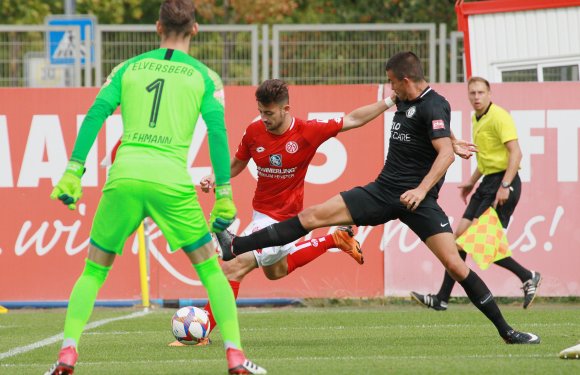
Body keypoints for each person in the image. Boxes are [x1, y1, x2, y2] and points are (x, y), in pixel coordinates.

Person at [215, 52, 540, 345]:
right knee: (312, 216)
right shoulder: (403, 101)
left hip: (418, 201)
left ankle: (507, 332)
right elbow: (430, 135)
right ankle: (236, 245)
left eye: (391, 82)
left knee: (456, 264)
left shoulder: (434, 103)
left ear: (406, 80)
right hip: (383, 192)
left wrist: (423, 187)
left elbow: (444, 156)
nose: (389, 87)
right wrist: (450, 139)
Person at [45, 1, 265, 374]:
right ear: (194, 30)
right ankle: (235, 357)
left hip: (125, 176)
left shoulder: (128, 68)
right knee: (212, 271)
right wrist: (225, 193)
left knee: (94, 271)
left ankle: (67, 354)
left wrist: (73, 170)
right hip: (170, 181)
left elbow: (96, 113)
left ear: (157, 27)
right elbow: (216, 132)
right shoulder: (205, 77)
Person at [169, 78, 392, 346]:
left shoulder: (308, 131)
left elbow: (353, 119)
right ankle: (334, 239)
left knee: (233, 266)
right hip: (260, 214)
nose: (263, 118)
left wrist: (390, 101)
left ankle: (201, 330)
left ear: (286, 108)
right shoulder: (254, 132)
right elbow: (239, 163)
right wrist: (216, 176)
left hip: (285, 220)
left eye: (269, 113)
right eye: (261, 112)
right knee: (275, 271)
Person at [410, 76, 541, 311]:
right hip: (487, 184)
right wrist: (471, 182)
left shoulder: (500, 116)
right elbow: (486, 158)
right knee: (458, 241)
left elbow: (516, 154)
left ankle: (527, 276)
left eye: (481, 93)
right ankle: (443, 298)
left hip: (503, 183)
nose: (477, 97)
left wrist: (505, 186)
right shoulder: (476, 117)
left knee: (475, 243)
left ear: (489, 94)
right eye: (472, 93)